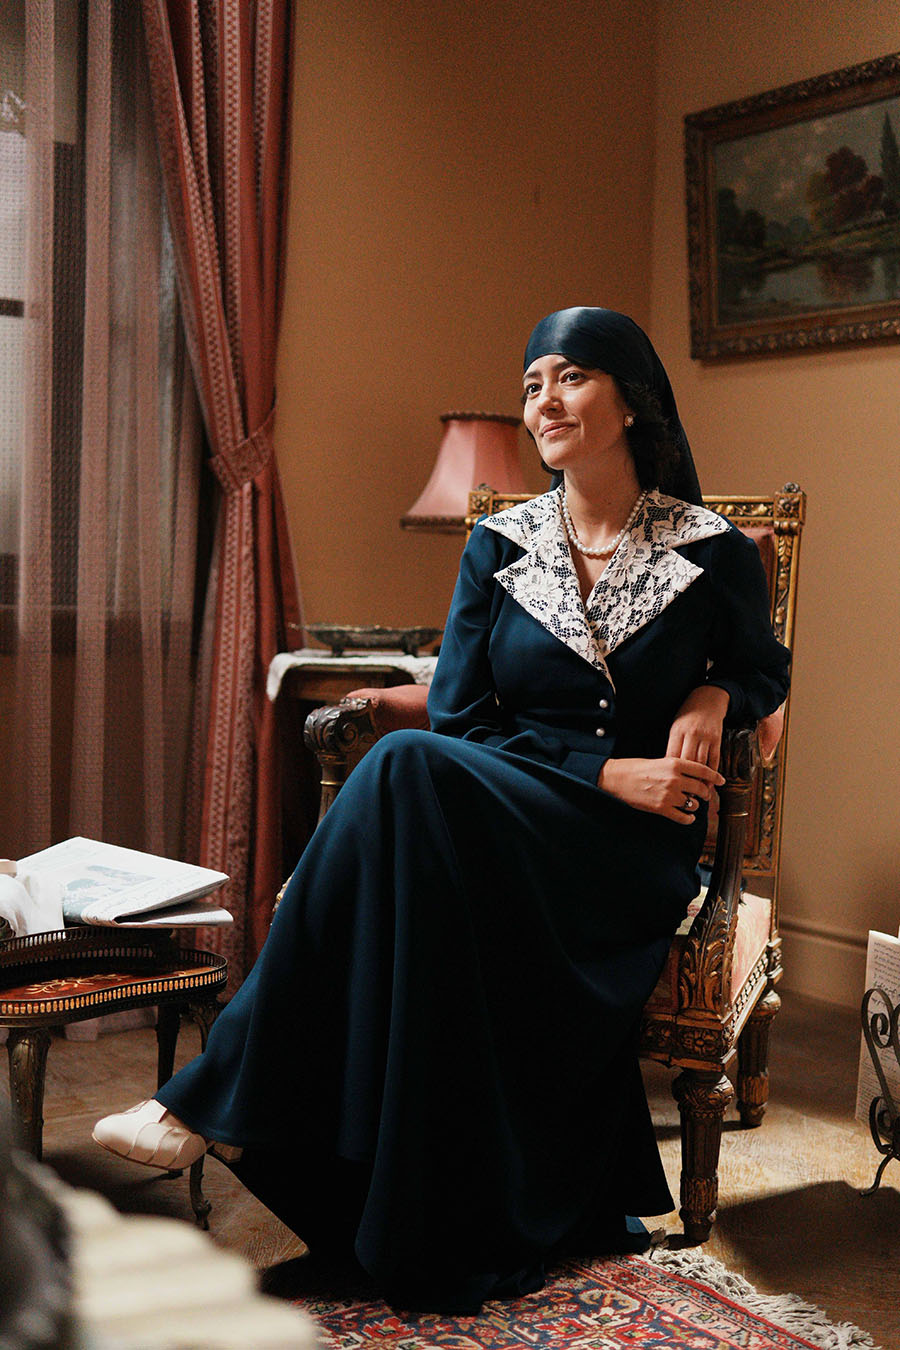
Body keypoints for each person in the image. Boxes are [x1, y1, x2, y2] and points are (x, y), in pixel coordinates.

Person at [93, 307, 791, 1312]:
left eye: (571, 378)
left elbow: (766, 674)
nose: (545, 401)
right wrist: (604, 771)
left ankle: (206, 1096)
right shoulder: (499, 546)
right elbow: (464, 720)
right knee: (408, 767)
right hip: (531, 819)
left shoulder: (711, 550)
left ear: (633, 400)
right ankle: (262, 1126)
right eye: (532, 384)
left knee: (401, 769)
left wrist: (715, 693)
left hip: (628, 857)